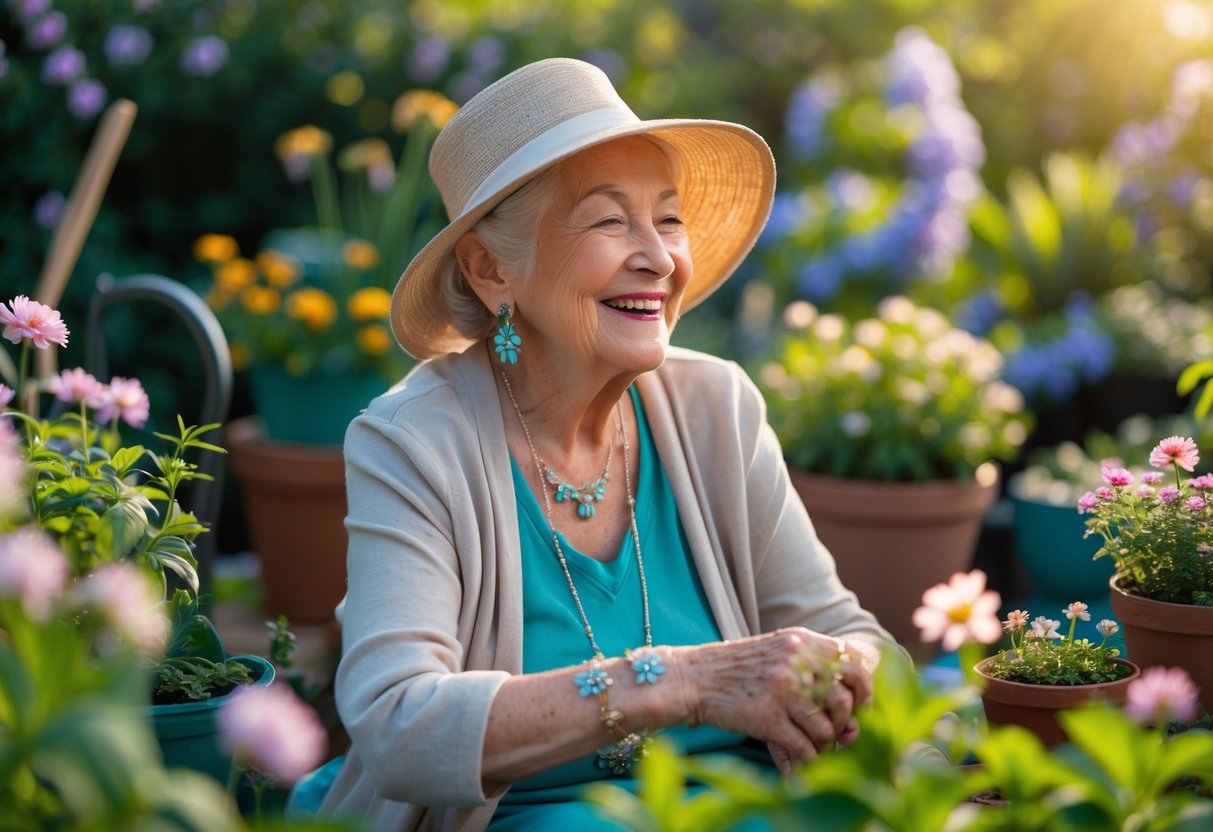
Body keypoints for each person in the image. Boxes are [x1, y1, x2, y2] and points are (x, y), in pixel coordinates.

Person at [317, 57, 906, 832]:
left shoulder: (716, 407)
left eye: (668, 219)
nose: (659, 258)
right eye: (607, 219)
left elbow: (857, 641)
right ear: (492, 268)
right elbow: (399, 725)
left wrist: (827, 682)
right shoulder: (412, 443)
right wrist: (685, 682)